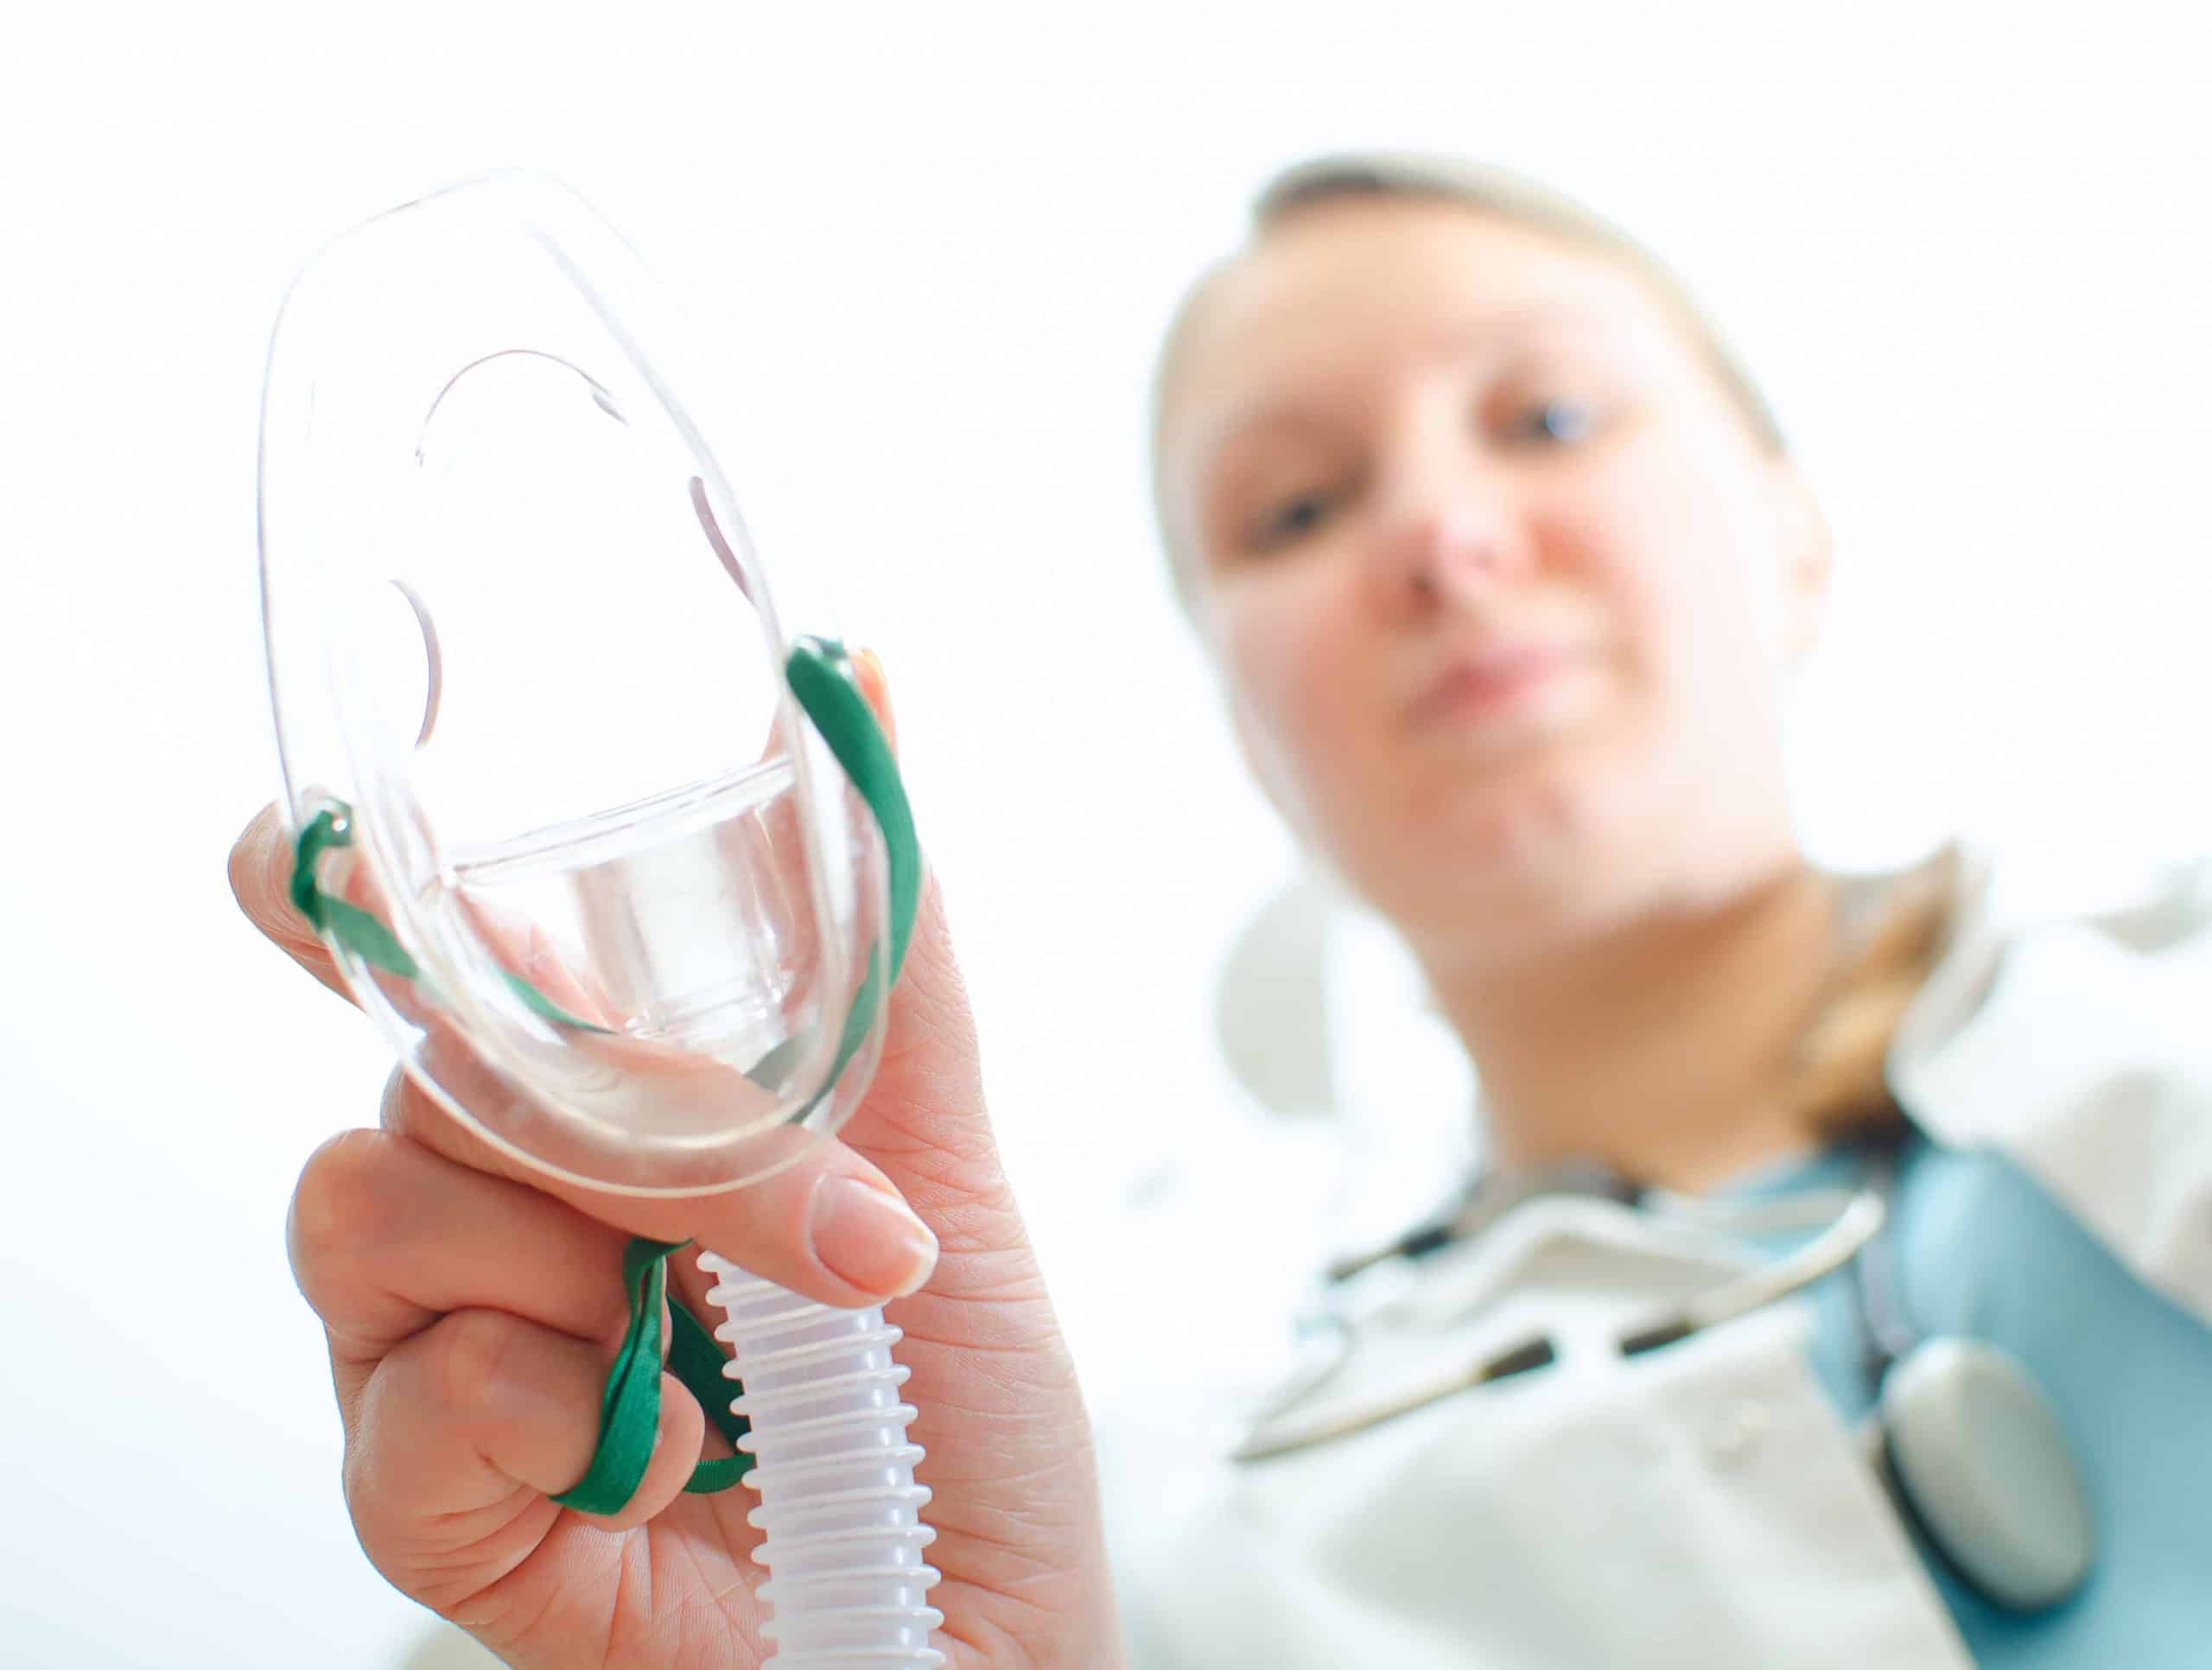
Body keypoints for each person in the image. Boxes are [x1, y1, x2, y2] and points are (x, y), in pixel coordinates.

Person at [230, 154, 2212, 1667]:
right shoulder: (1154, 1538)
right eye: (1291, 510)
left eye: (1542, 420)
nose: (1440, 538)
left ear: (1790, 536)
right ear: (1242, 717)